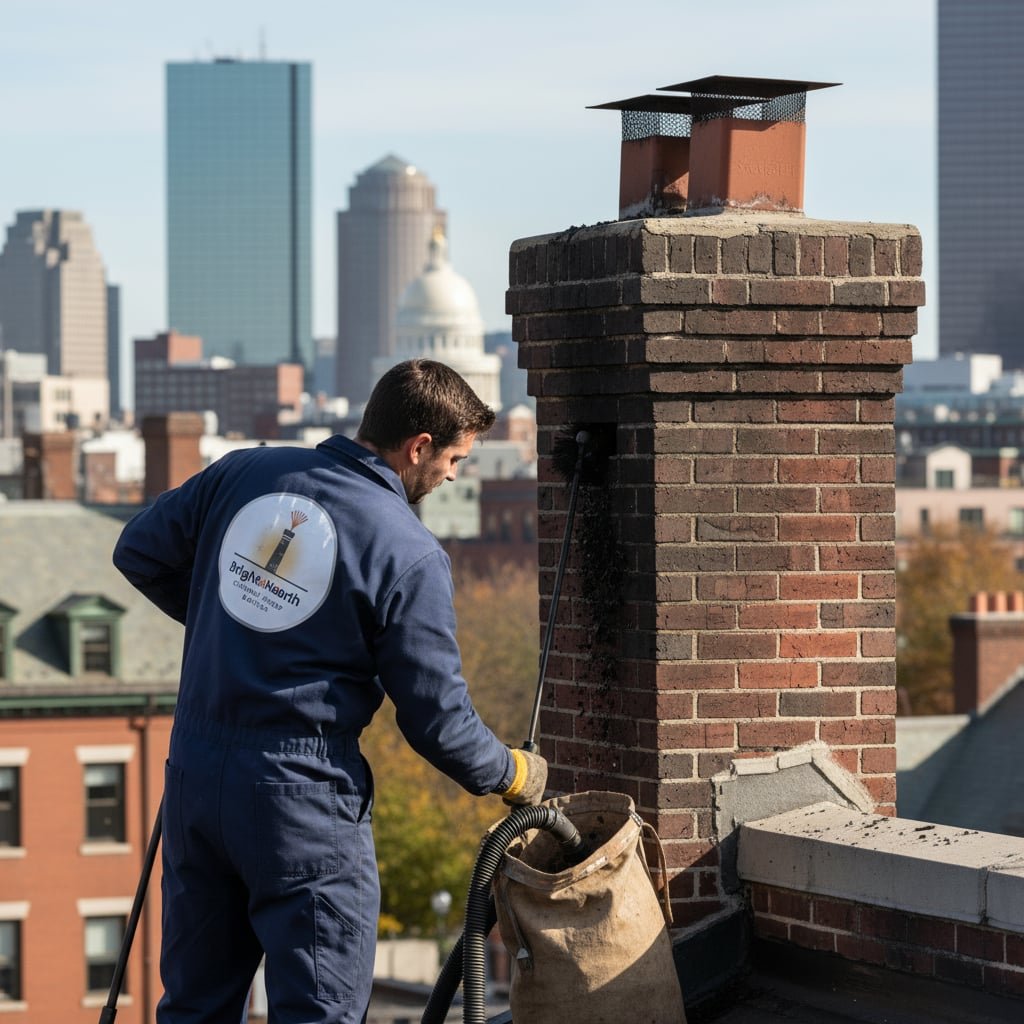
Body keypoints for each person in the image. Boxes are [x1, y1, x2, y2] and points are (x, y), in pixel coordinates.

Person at [113, 358, 547, 1023]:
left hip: (196, 775)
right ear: (418, 447)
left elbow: (138, 551)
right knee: (320, 1012)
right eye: (455, 459)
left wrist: (238, 627)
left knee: (195, 1008)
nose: (455, 476)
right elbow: (436, 719)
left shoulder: (243, 472)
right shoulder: (407, 550)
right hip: (300, 797)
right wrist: (512, 772)